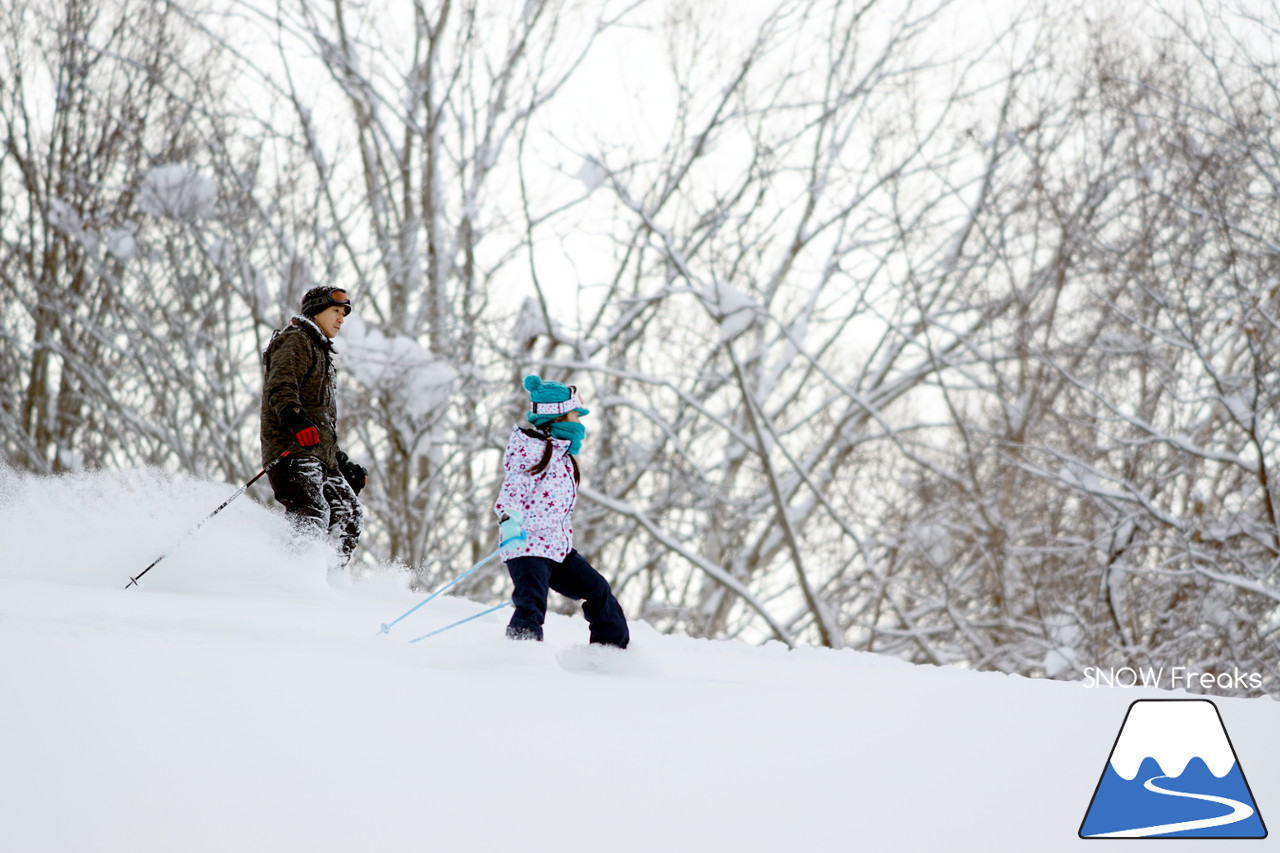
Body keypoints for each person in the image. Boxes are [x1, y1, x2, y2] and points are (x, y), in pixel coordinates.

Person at [494, 375, 629, 648]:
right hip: (527, 545)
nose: (579, 422)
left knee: (599, 591)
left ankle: (611, 652)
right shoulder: (532, 451)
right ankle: (519, 656)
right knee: (532, 603)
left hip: (556, 549)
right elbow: (513, 488)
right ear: (556, 418)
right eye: (575, 415)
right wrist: (510, 520)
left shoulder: (562, 457)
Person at [260, 285, 367, 567]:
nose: (341, 318)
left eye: (344, 313)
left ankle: (328, 578)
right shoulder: (295, 341)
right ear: (316, 311)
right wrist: (295, 420)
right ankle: (297, 578)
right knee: (311, 510)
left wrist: (340, 461)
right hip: (292, 451)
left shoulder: (322, 352)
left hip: (319, 454)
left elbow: (320, 420)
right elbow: (280, 387)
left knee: (348, 512)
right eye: (336, 311)